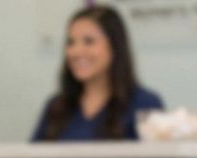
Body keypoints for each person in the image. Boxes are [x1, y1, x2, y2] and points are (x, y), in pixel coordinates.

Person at [31, 5, 163, 141]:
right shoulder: (55, 107)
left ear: (114, 47)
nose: (76, 52)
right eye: (71, 42)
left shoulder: (145, 104)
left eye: (89, 41)